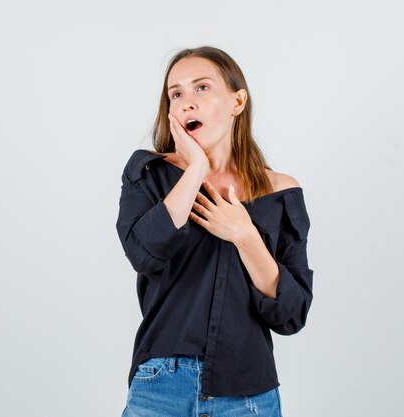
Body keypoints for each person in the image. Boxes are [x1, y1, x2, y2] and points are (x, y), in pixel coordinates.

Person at [115, 46, 314, 417]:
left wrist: (245, 236)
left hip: (247, 392)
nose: (187, 102)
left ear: (238, 101)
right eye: (176, 94)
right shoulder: (149, 175)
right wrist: (195, 169)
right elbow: (143, 253)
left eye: (201, 88)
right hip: (160, 386)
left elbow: (291, 314)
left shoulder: (280, 191)